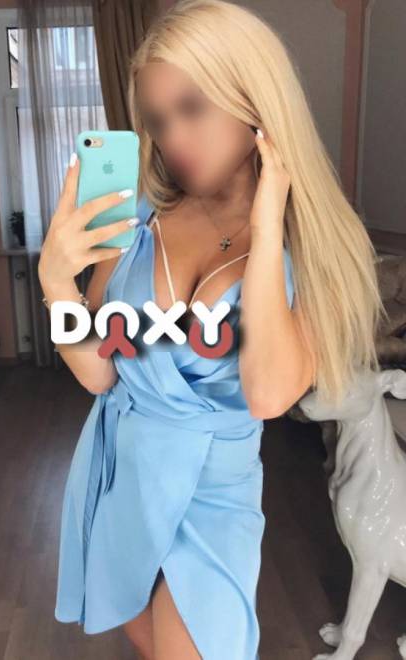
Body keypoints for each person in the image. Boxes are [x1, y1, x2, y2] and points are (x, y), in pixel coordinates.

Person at [38, 2, 385, 658]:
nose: (173, 137)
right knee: (143, 633)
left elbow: (268, 395)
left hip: (215, 494)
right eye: (158, 119)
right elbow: (100, 373)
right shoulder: (139, 217)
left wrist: (267, 222)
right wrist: (56, 283)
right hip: (122, 468)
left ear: (252, 97)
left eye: (192, 108)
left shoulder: (319, 248)